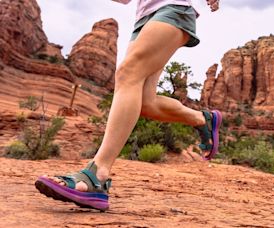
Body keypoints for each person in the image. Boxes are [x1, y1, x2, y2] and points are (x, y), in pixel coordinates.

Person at [35, 0, 222, 211]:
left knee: (127, 74)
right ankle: (201, 119)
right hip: (144, 17)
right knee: (145, 102)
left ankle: (98, 173)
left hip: (173, 8)